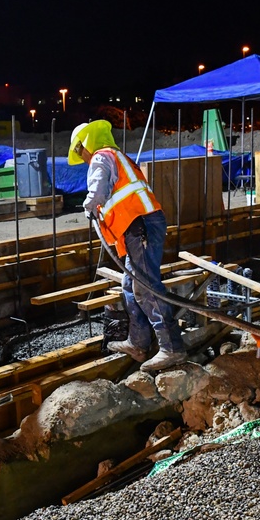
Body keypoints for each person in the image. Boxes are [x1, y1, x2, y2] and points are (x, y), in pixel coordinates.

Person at [68, 120, 187, 372]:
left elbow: (98, 190)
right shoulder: (117, 157)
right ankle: (138, 342)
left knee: (145, 286)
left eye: (80, 150)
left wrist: (89, 205)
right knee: (129, 285)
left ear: (86, 144)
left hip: (139, 223)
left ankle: (172, 348)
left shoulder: (102, 157)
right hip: (139, 224)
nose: (82, 157)